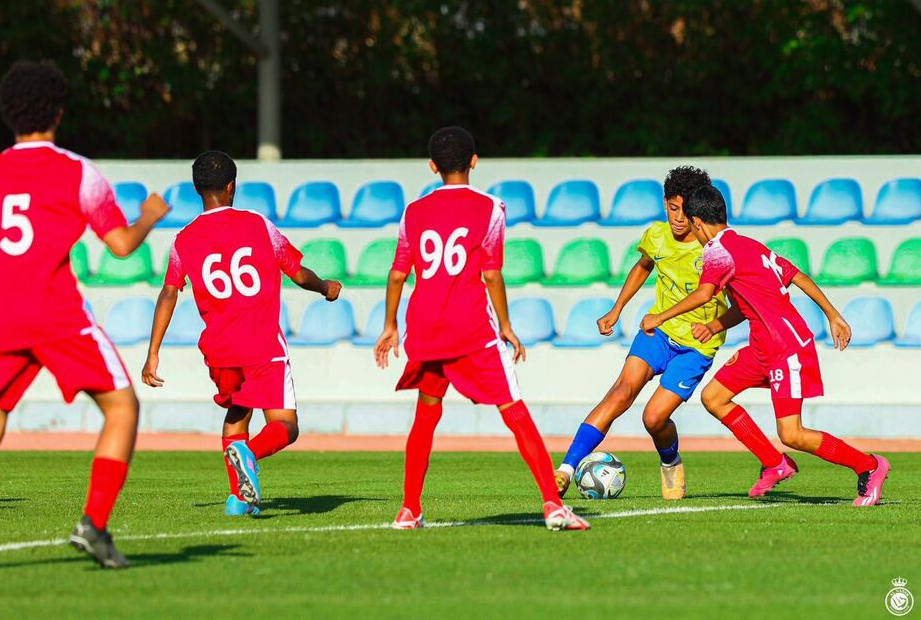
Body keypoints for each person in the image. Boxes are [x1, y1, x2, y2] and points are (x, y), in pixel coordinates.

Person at [0, 60, 171, 568]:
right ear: (60, 112)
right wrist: (150, 217)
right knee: (121, 407)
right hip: (53, 312)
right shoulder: (77, 171)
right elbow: (119, 246)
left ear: (8, 114)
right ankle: (93, 524)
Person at [374, 126, 589, 531]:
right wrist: (506, 326)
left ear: (432, 166)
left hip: (425, 327)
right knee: (514, 410)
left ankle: (409, 508)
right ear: (474, 161)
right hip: (470, 327)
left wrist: (389, 326)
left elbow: (398, 275)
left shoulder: (413, 212)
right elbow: (491, 275)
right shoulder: (491, 208)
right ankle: (553, 505)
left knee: (426, 415)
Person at [640, 184, 890, 505]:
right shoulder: (749, 245)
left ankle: (869, 466)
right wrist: (832, 314)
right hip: (762, 347)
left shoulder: (716, 251)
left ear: (698, 223)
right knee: (714, 397)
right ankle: (775, 463)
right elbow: (794, 277)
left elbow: (704, 294)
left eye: (690, 224)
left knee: (792, 434)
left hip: (786, 348)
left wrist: (659, 317)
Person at [142, 151, 341, 516]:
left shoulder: (184, 239)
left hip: (219, 350)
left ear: (197, 189)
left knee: (237, 413)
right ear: (232, 186)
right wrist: (325, 287)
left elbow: (169, 291)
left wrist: (153, 351)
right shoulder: (257, 225)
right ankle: (250, 454)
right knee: (286, 426)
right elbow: (297, 273)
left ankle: (240, 500)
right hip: (261, 343)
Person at [555, 166, 731, 500]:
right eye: (672, 208)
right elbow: (644, 266)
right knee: (621, 391)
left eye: (685, 211)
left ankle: (670, 460)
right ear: (665, 203)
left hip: (696, 346)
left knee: (653, 418)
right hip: (659, 334)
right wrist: (616, 308)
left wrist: (716, 326)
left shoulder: (715, 247)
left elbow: (736, 298)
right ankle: (564, 471)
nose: (678, 218)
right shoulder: (656, 235)